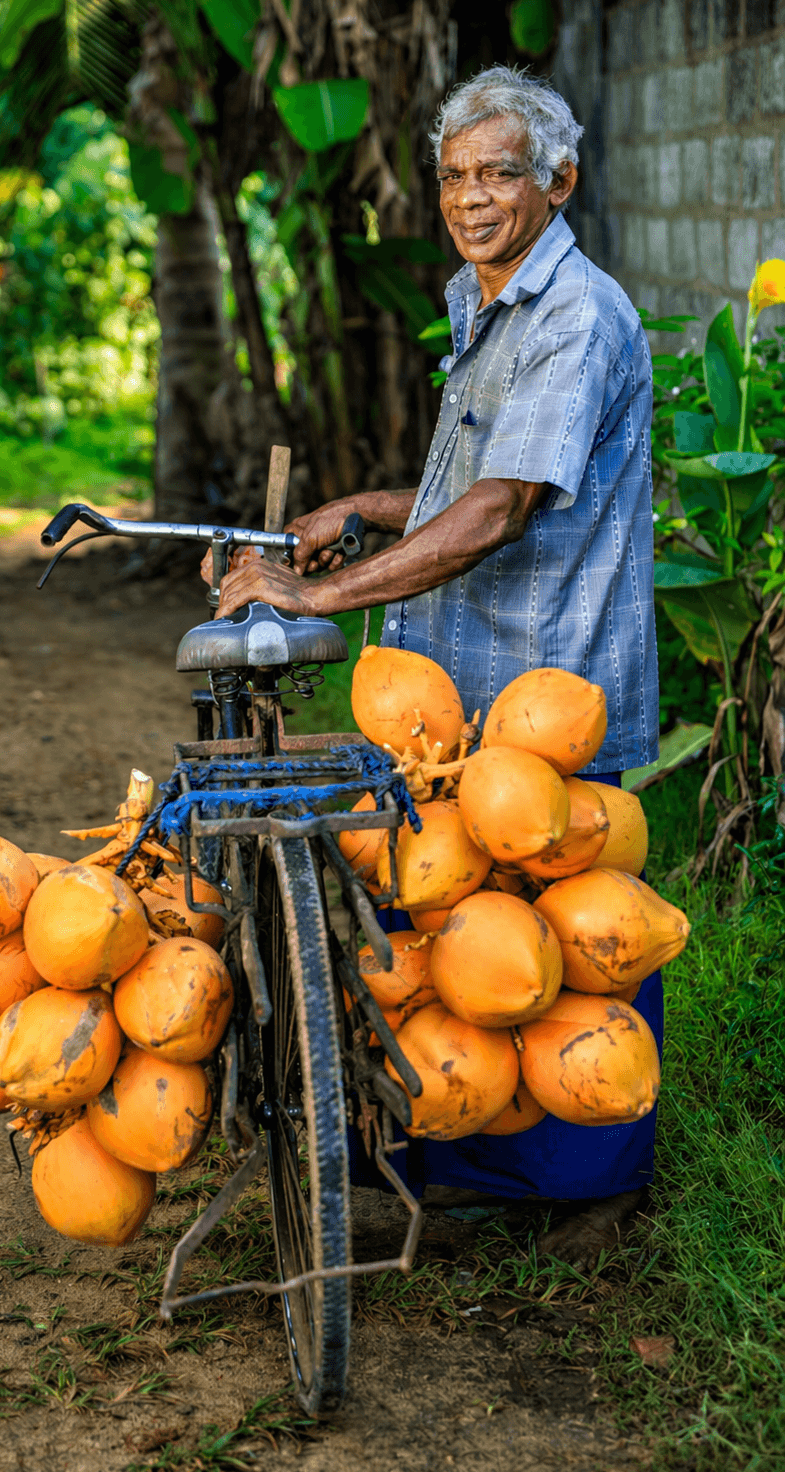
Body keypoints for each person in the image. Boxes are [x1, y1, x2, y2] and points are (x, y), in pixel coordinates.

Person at [213, 65, 661, 1266]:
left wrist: (313, 594)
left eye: (500, 173)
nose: (472, 197)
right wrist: (361, 510)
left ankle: (589, 1185)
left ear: (559, 182)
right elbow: (466, 485)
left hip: (546, 676)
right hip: (469, 690)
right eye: (456, 175)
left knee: (567, 935)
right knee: (463, 932)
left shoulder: (573, 317)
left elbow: (505, 508)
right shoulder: (491, 299)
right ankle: (469, 1150)